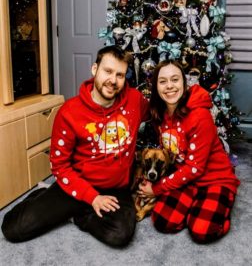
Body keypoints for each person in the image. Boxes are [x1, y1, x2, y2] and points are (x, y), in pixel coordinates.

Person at [1, 45, 149, 247]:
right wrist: (91, 197)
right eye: (107, 71)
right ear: (94, 69)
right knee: (13, 229)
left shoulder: (134, 100)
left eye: (120, 75)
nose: (113, 81)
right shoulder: (70, 112)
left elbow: (162, 110)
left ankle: (78, 215)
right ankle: (47, 198)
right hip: (77, 184)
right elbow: (59, 166)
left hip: (115, 188)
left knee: (119, 235)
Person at [138, 60, 240, 244]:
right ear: (156, 87)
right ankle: (196, 206)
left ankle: (219, 203)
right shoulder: (160, 113)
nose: (169, 86)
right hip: (186, 179)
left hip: (213, 177)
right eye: (162, 81)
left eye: (175, 79)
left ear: (184, 84)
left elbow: (195, 167)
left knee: (202, 231)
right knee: (162, 220)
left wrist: (157, 188)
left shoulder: (200, 115)